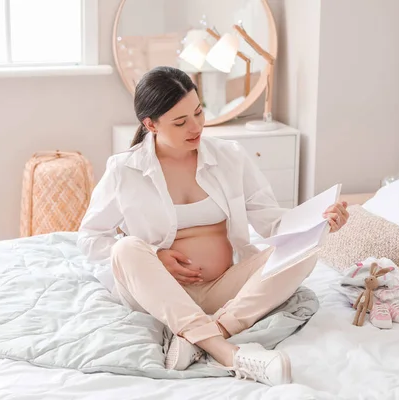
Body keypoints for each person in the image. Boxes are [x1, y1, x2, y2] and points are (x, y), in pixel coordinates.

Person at [76, 66, 349, 386]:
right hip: (159, 295)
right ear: (150, 124)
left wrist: (320, 222)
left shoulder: (229, 156)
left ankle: (205, 333)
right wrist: (155, 254)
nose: (196, 127)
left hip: (223, 290)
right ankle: (226, 352)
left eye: (198, 112)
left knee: (304, 249)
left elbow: (271, 221)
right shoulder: (125, 170)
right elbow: (90, 238)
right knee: (125, 248)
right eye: (180, 122)